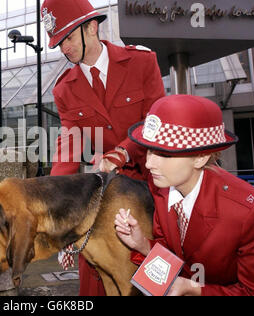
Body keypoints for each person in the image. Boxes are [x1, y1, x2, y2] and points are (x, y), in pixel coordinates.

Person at [41, 0, 165, 295]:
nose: (64, 49)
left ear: (92, 28)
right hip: (105, 192)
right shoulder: (64, 89)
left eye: (68, 38)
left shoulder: (143, 62)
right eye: (58, 43)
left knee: (157, 272)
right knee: (94, 273)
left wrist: (121, 152)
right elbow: (69, 148)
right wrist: (59, 204)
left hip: (153, 186)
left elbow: (155, 122)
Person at [115, 95, 254, 296]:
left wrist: (194, 289)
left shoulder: (251, 213)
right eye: (149, 151)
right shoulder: (161, 187)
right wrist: (142, 244)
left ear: (200, 158)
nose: (148, 164)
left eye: (164, 154)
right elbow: (176, 255)